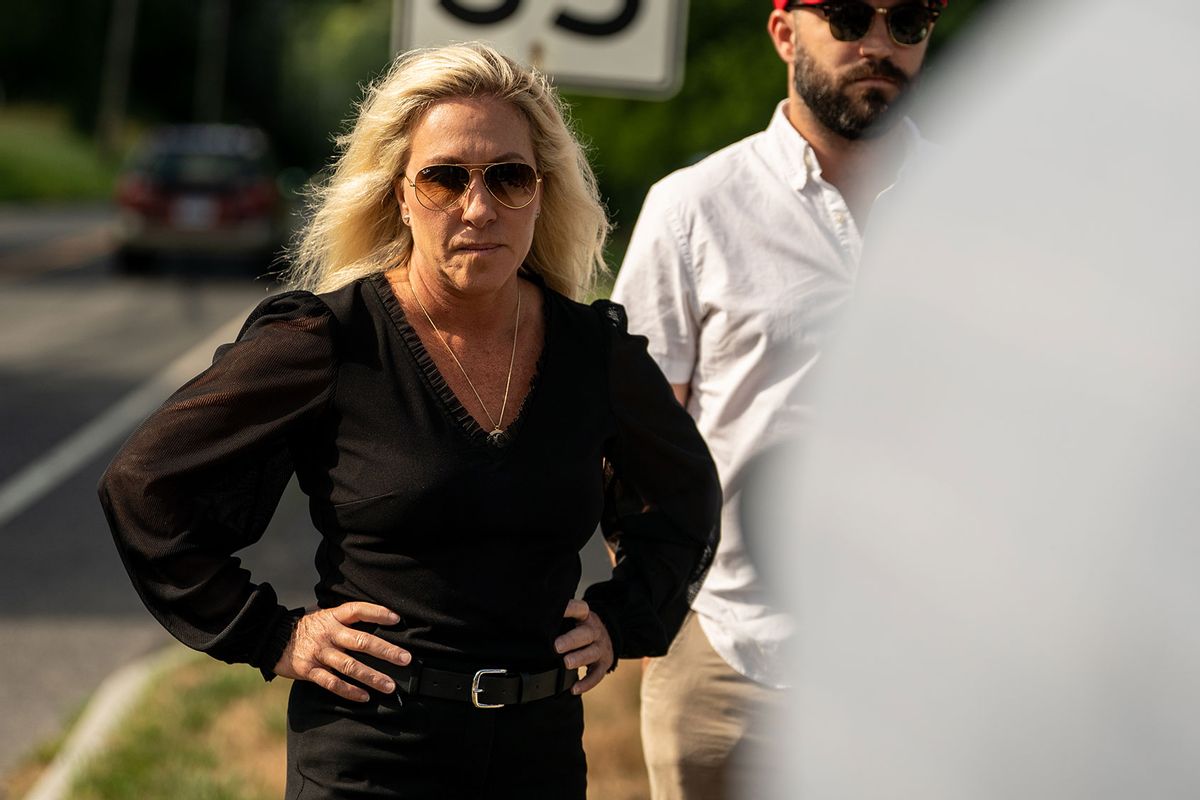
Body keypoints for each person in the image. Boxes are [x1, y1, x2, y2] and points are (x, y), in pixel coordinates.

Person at [98, 42, 720, 800]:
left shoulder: (595, 353)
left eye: (509, 177)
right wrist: (274, 635)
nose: (478, 207)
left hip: (539, 756)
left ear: (541, 192)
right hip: (368, 757)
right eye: (444, 177)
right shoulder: (329, 340)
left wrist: (627, 621)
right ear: (400, 193)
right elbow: (144, 484)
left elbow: (687, 496)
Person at [611, 1, 946, 797]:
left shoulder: (988, 209)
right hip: (732, 657)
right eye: (850, 15)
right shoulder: (693, 207)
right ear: (784, 31)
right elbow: (630, 441)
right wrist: (660, 605)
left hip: (929, 666)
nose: (878, 44)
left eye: (908, 21)